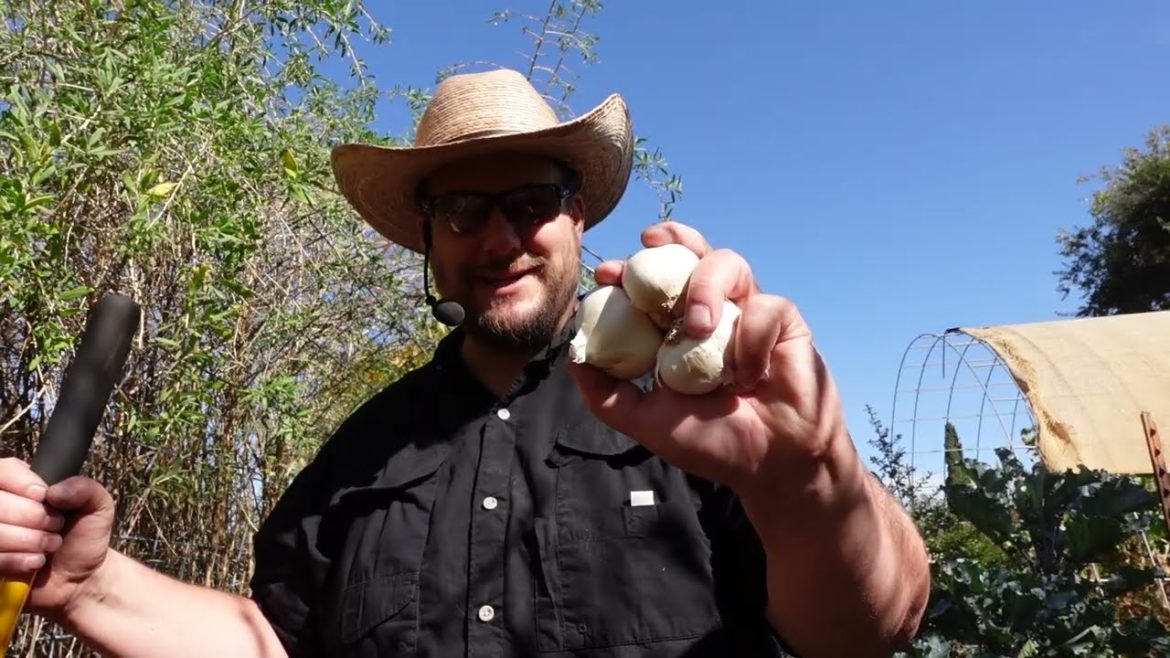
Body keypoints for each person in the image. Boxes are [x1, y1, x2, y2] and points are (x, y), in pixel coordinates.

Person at [0, 68, 930, 657]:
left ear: (580, 218)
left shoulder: (709, 417)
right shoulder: (357, 458)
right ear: (428, 241)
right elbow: (266, 643)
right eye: (463, 211)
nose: (500, 237)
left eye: (531, 200)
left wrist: (813, 480)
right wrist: (86, 583)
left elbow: (875, 627)